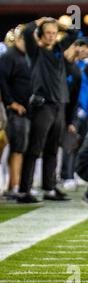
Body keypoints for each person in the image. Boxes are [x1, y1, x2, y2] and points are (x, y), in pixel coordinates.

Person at [17, 17, 78, 203]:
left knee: (52, 149)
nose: (52, 36)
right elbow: (27, 32)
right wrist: (42, 20)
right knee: (35, 148)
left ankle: (49, 188)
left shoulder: (59, 50)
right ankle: (23, 190)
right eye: (48, 33)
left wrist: (59, 25)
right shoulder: (36, 51)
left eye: (54, 33)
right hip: (42, 105)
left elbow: (74, 34)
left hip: (59, 104)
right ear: (41, 35)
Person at [60, 37, 88, 191]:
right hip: (73, 110)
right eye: (86, 47)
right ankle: (65, 175)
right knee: (70, 143)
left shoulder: (84, 66)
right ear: (78, 47)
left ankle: (73, 172)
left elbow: (87, 92)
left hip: (84, 111)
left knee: (79, 145)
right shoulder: (69, 65)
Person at [0, 25, 32, 199]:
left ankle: (14, 184)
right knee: (14, 149)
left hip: (22, 111)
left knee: (19, 149)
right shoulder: (9, 56)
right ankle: (13, 186)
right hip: (12, 112)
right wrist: (11, 103)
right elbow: (2, 82)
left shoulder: (24, 56)